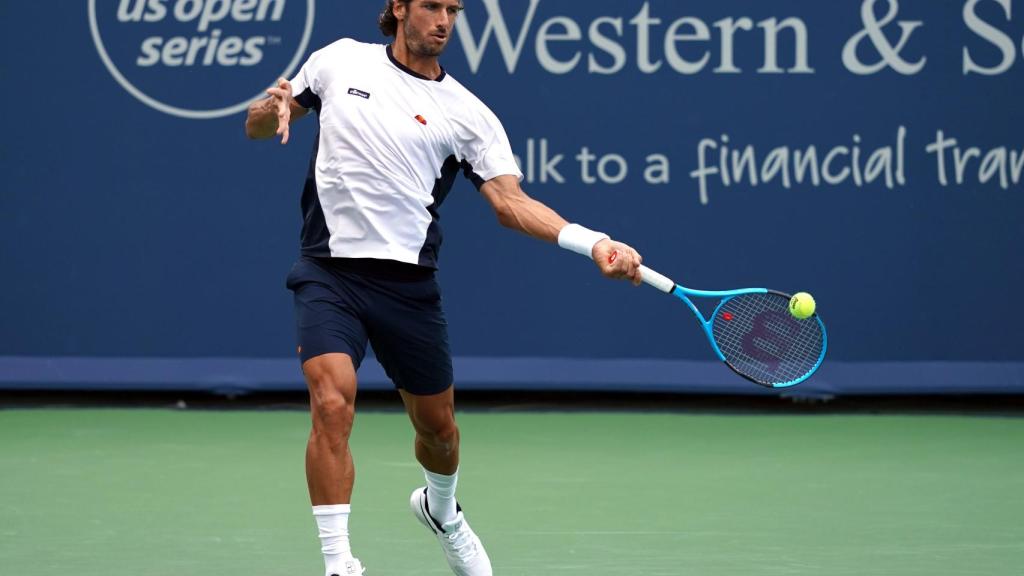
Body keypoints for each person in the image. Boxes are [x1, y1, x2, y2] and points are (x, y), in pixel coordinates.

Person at [245, 1, 644, 574]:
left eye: (453, 9)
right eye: (432, 5)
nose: (444, 20)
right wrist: (271, 106)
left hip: (408, 287)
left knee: (439, 430)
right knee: (331, 402)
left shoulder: (467, 113)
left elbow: (511, 203)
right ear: (399, 8)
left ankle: (442, 510)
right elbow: (259, 126)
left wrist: (594, 242)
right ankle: (338, 564)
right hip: (328, 270)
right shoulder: (337, 62)